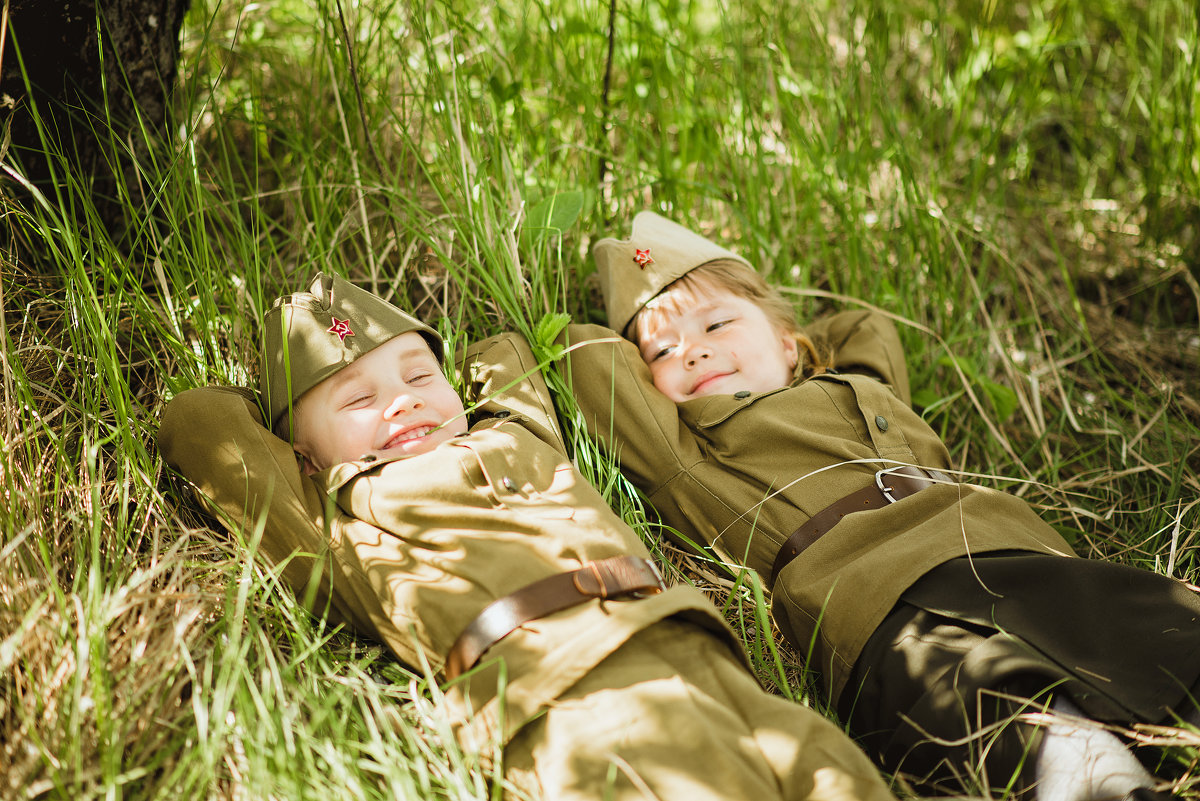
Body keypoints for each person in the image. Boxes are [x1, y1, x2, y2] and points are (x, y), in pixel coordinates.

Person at [157, 271, 902, 801]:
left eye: (419, 376)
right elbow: (196, 422)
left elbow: (506, 352)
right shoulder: (336, 523)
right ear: (303, 455)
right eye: (358, 399)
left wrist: (440, 384)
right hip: (564, 695)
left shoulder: (523, 434)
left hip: (690, 641)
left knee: (834, 772)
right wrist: (301, 444)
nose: (401, 404)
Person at [559, 211, 1200, 801]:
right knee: (984, 705)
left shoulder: (861, 385)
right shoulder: (689, 453)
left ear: (790, 343)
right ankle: (1097, 774)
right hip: (870, 597)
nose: (692, 350)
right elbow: (587, 356)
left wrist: (787, 346)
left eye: (718, 324)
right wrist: (646, 299)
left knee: (1148, 628)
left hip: (992, 542)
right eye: (661, 352)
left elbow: (863, 325)